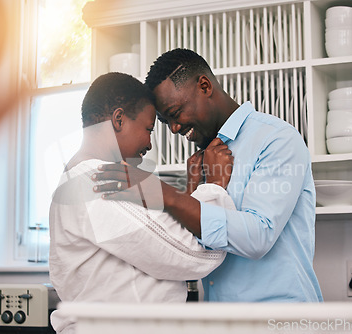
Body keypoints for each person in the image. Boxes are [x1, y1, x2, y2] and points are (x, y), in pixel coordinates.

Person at [94, 49, 323, 302]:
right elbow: (192, 249)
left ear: (204, 86)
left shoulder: (276, 139)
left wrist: (168, 195)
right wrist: (193, 192)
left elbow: (259, 236)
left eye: (176, 112)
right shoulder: (202, 161)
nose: (174, 128)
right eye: (165, 121)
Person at [49, 72, 231, 333]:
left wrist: (190, 192)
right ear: (119, 119)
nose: (148, 144)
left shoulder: (82, 178)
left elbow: (158, 243)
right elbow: (196, 255)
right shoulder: (100, 183)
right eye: (148, 129)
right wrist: (215, 185)